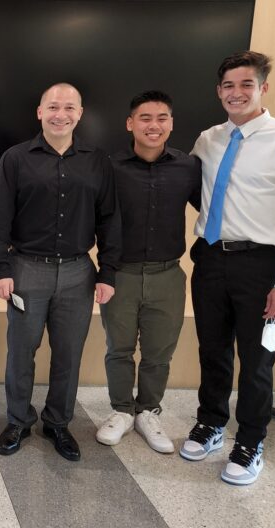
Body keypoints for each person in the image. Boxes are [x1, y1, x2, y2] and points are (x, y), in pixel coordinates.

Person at [180, 51, 275, 485]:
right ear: (219, 91)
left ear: (263, 88)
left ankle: (251, 440)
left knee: (257, 360)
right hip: (210, 257)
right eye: (228, 86)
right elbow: (195, 189)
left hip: (261, 265)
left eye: (246, 85)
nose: (236, 93)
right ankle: (212, 423)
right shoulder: (208, 138)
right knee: (213, 349)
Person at [0, 82, 121, 461]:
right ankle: (18, 420)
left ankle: (58, 423)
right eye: (53, 107)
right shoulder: (15, 159)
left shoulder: (97, 161)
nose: (61, 114)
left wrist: (107, 272)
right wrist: (0, 267)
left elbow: (110, 220)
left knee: (68, 355)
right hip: (27, 270)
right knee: (20, 352)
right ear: (39, 112)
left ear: (80, 114)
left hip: (80, 273)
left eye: (69, 108)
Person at [95, 91, 201, 453]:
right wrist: (102, 272)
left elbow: (215, 210)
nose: (153, 125)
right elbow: (97, 219)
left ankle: (148, 412)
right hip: (120, 273)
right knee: (118, 348)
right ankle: (122, 410)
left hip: (168, 274)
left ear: (171, 123)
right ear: (130, 124)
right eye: (144, 118)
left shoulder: (189, 167)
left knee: (159, 352)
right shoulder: (109, 167)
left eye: (161, 118)